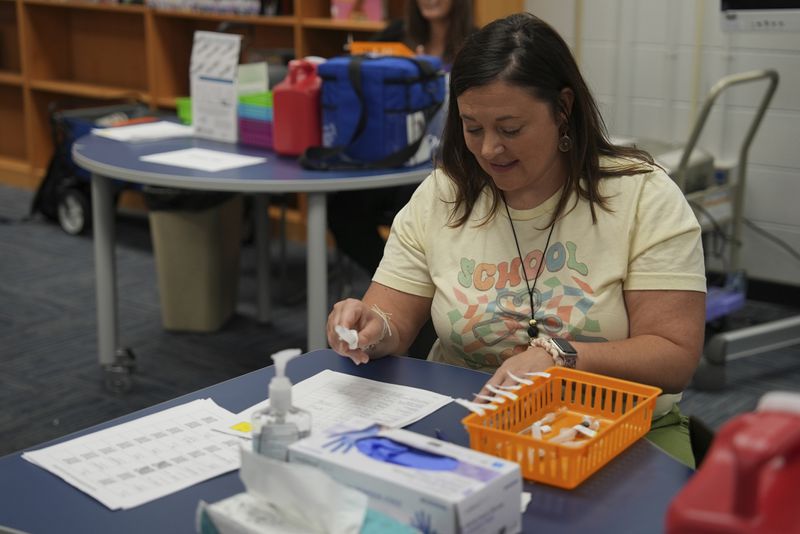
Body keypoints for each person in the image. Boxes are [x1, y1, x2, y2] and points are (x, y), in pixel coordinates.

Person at [325, 13, 706, 467]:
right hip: (472, 423)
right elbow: (393, 320)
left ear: (562, 110)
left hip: (616, 432)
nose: (489, 150)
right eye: (472, 128)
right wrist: (368, 326)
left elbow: (673, 355)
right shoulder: (444, 195)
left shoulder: (642, 195)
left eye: (510, 130)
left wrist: (559, 356)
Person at [327, 0, 475, 278]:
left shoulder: (476, 44)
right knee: (341, 209)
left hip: (447, 165)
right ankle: (398, 282)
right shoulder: (396, 34)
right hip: (394, 161)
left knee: (420, 208)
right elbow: (357, 71)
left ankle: (414, 288)